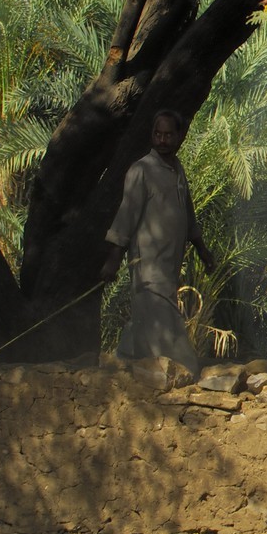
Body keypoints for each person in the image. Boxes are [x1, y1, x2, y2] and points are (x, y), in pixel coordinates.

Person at [101, 109, 215, 374]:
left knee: (146, 318)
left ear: (179, 136)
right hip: (148, 264)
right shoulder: (142, 170)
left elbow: (188, 213)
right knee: (163, 320)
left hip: (169, 263)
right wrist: (114, 258)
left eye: (168, 135)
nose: (162, 140)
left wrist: (203, 250)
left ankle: (125, 361)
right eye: (158, 134)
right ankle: (185, 369)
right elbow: (126, 215)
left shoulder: (177, 170)